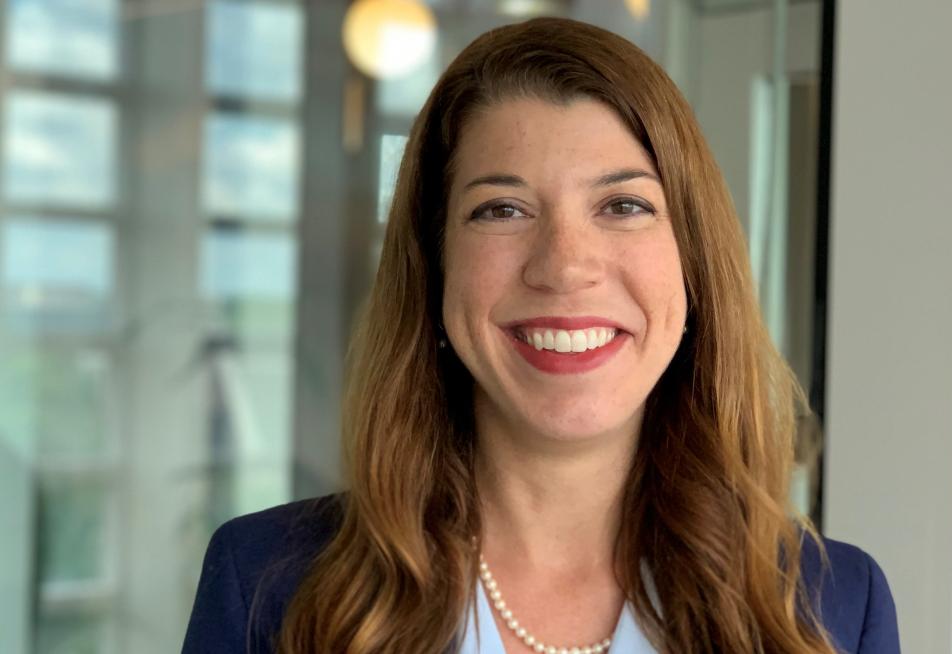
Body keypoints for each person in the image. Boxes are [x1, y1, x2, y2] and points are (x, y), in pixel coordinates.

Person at [182, 16, 899, 654]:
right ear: (433, 271)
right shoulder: (266, 589)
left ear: (695, 269)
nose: (564, 266)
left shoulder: (833, 607)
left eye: (623, 204)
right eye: (501, 209)